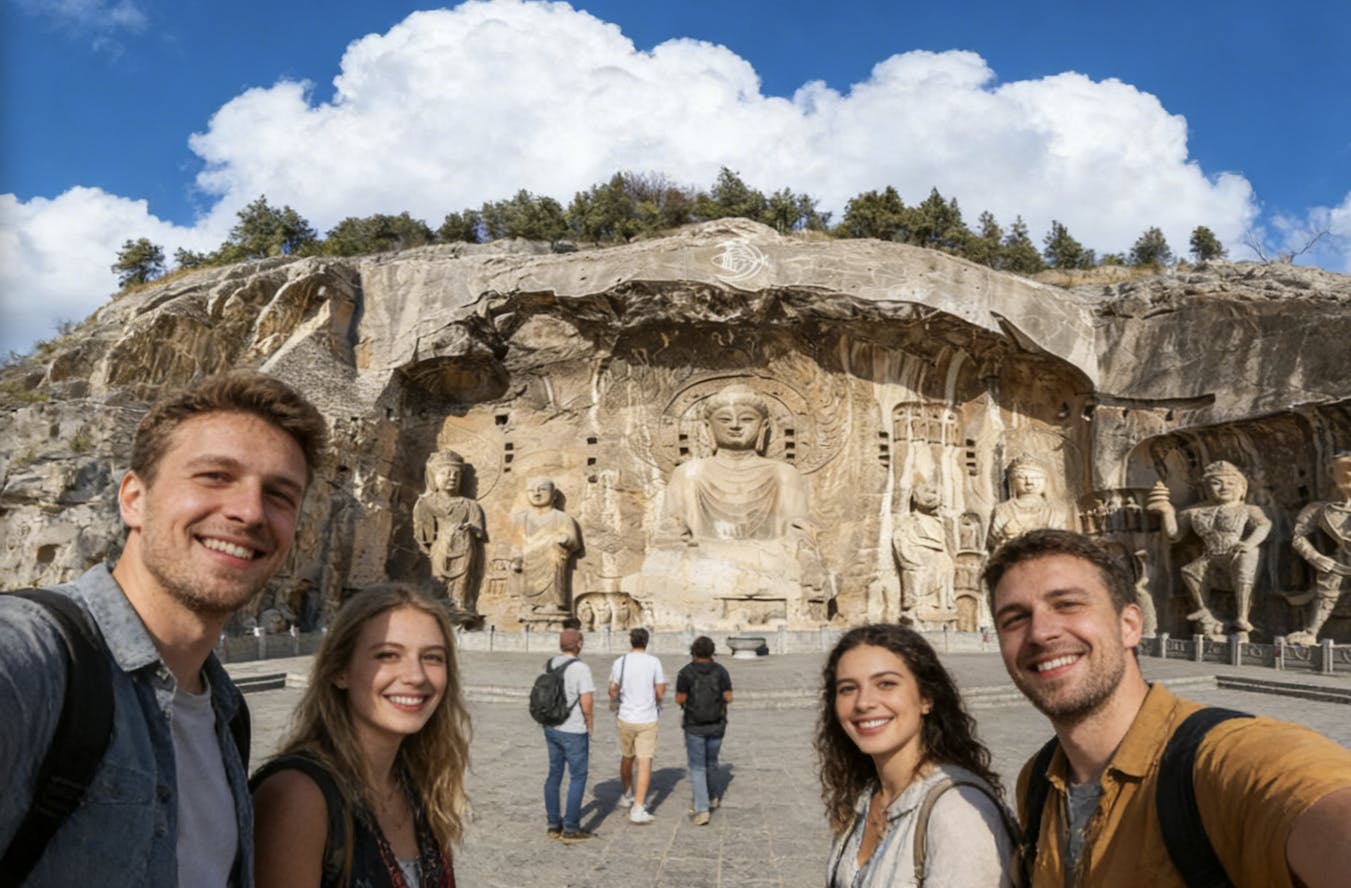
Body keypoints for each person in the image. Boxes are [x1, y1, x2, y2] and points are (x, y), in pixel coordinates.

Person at [0, 370, 327, 885]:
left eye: (279, 495)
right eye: (214, 476)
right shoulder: (36, 661)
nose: (249, 512)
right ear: (134, 498)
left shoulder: (228, 717)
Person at [984, 528, 1351, 888]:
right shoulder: (1039, 782)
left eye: (1067, 604)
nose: (1040, 632)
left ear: (1130, 625)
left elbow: (1311, 799)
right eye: (1014, 619)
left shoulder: (1230, 761)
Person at [252, 585, 471, 887]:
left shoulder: (419, 785)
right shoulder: (299, 797)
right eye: (388, 655)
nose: (416, 676)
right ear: (340, 671)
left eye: (432, 657)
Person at [818, 624, 1015, 887]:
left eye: (886, 684)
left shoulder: (957, 815)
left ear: (926, 698)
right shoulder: (867, 796)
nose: (863, 702)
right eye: (847, 688)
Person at [1147, 460, 1272, 635]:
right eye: (1216, 483)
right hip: (1210, 556)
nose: (1224, 487)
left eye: (1231, 483)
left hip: (1235, 554)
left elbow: (1264, 525)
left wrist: (1249, 543)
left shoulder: (1248, 509)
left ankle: (1242, 616)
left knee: (1249, 555)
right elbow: (1174, 536)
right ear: (1206, 488)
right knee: (1189, 571)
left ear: (1242, 488)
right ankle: (1203, 610)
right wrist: (1167, 512)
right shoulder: (1194, 512)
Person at [1286, 451, 1351, 644]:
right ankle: (1311, 631)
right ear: (1331, 473)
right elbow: (1298, 537)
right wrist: (1315, 557)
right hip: (1340, 562)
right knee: (1329, 580)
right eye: (1343, 469)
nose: (1349, 473)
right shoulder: (1319, 509)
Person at [413, 450, 486, 615]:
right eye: (446, 473)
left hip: (464, 546)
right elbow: (422, 534)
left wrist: (471, 528)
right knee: (438, 576)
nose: (452, 478)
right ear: (434, 477)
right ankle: (436, 603)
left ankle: (460, 605)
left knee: (462, 579)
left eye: (456, 475)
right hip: (440, 546)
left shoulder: (470, 505)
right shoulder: (426, 503)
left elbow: (479, 531)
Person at [608, 627, 666, 824]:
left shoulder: (621, 662)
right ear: (646, 642)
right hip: (647, 717)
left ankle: (626, 794)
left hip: (626, 716)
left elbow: (612, 689)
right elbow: (660, 690)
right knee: (644, 760)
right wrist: (651, 700)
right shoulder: (654, 662)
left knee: (627, 756)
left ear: (630, 642)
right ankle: (638, 808)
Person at [542, 628, 595, 842]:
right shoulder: (581, 668)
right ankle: (571, 827)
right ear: (579, 644)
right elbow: (586, 701)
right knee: (578, 776)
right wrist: (589, 722)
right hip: (573, 729)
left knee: (554, 774)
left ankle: (553, 824)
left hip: (552, 726)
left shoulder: (551, 663)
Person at [674, 636, 734, 825]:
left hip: (694, 725)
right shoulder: (721, 671)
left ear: (694, 651)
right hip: (717, 723)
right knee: (712, 762)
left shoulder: (685, 672)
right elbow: (729, 696)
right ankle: (712, 796)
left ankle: (702, 809)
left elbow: (680, 699)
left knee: (697, 767)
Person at [510, 477, 581, 613]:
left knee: (554, 553)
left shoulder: (562, 518)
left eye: (542, 489)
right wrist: (516, 559)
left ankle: (554, 603)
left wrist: (564, 539)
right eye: (532, 490)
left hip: (552, 561)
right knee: (526, 582)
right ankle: (529, 603)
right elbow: (516, 544)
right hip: (529, 563)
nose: (537, 493)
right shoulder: (521, 519)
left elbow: (575, 543)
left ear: (554, 495)